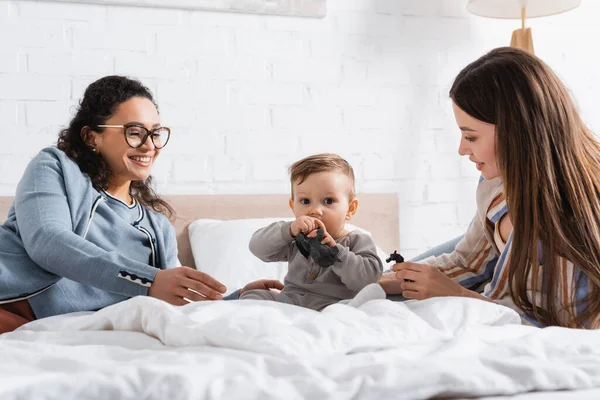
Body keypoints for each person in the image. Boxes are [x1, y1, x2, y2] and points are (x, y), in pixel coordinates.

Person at [0, 75, 278, 334]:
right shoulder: (55, 168)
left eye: (155, 133)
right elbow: (48, 241)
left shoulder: (157, 228)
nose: (149, 146)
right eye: (134, 132)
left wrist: (236, 297)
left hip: (60, 330)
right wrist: (149, 280)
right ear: (91, 137)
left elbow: (177, 297)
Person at [380, 47, 600, 329]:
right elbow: (469, 260)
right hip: (491, 295)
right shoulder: (497, 183)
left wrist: (458, 296)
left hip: (533, 322)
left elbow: (563, 329)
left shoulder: (570, 221)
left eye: (470, 137)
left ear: (515, 132)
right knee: (375, 289)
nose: (461, 150)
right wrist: (382, 280)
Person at [240, 154, 383, 311]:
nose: (315, 210)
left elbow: (368, 280)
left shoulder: (357, 240)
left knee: (362, 305)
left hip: (334, 306)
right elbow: (257, 248)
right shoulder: (295, 239)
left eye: (328, 201)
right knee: (252, 295)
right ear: (293, 206)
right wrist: (289, 230)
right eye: (305, 201)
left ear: (350, 208)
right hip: (291, 302)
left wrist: (336, 253)